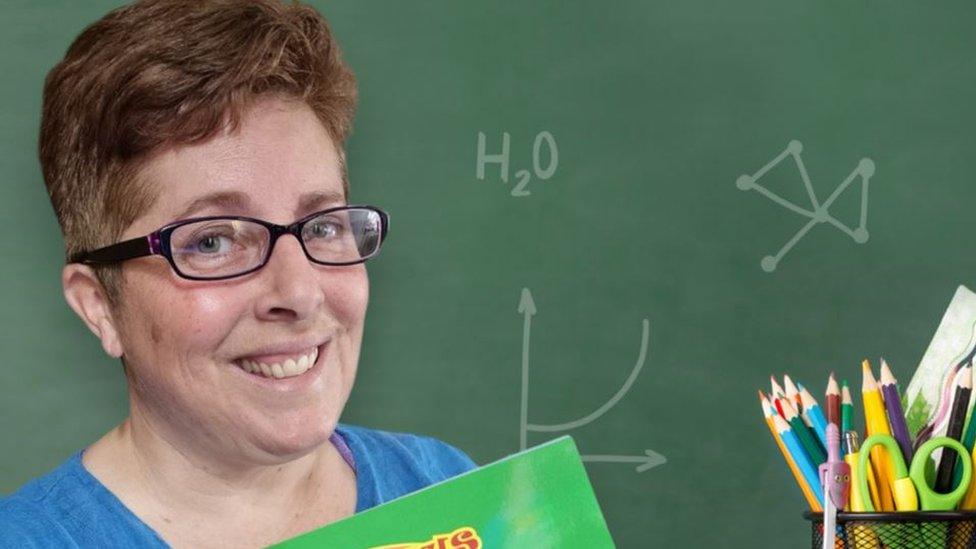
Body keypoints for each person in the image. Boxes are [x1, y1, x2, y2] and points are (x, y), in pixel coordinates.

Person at [0, 1, 477, 546]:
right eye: (213, 241)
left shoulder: (448, 490)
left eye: (321, 228)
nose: (298, 292)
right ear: (99, 306)